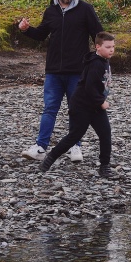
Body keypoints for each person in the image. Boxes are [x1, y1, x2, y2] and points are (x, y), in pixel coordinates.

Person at [18, 0, 103, 161]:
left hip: (78, 71)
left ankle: (76, 147)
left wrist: (98, 62)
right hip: (54, 71)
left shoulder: (85, 10)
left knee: (77, 109)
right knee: (50, 109)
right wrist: (26, 30)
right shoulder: (51, 11)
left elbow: (98, 35)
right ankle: (40, 148)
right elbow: (41, 34)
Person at [39, 32, 115, 179]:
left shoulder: (105, 60)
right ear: (97, 47)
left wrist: (99, 102)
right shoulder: (95, 64)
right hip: (81, 106)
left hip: (95, 107)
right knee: (74, 136)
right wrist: (102, 102)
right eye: (108, 47)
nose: (111, 50)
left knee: (105, 134)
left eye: (113, 47)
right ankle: (49, 159)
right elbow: (89, 87)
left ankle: (105, 166)